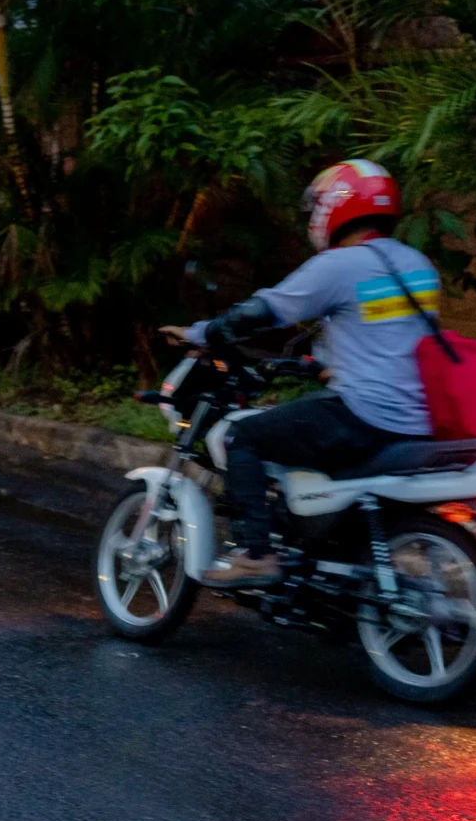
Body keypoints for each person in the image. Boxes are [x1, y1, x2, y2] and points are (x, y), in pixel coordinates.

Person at [180, 159, 440, 588]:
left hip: (363, 418)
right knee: (299, 418)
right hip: (415, 422)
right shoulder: (417, 265)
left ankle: (258, 555)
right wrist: (324, 366)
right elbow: (386, 339)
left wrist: (202, 332)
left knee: (243, 436)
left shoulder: (340, 265)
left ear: (336, 207)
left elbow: (263, 312)